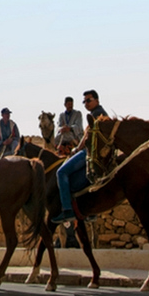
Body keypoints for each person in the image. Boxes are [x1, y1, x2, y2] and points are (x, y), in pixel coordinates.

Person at [52, 90, 108, 223]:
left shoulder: (95, 115)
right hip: (92, 151)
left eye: (88, 100)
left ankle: (67, 210)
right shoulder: (100, 113)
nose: (86, 104)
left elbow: (87, 135)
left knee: (61, 172)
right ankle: (88, 210)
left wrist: (77, 149)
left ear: (97, 100)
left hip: (88, 151)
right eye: (84, 101)